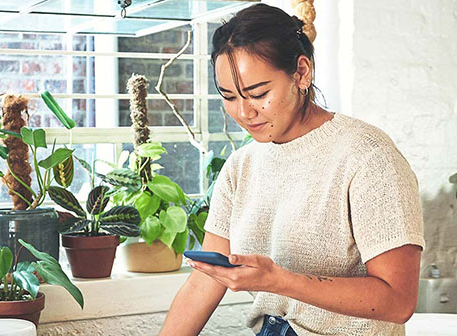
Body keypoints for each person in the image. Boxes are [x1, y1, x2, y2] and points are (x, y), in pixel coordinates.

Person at [160, 4, 425, 336]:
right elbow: (205, 280)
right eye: (228, 96)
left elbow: (398, 301)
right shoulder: (241, 167)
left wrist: (279, 280)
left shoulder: (367, 155)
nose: (243, 113)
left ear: (301, 72)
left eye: (258, 94)